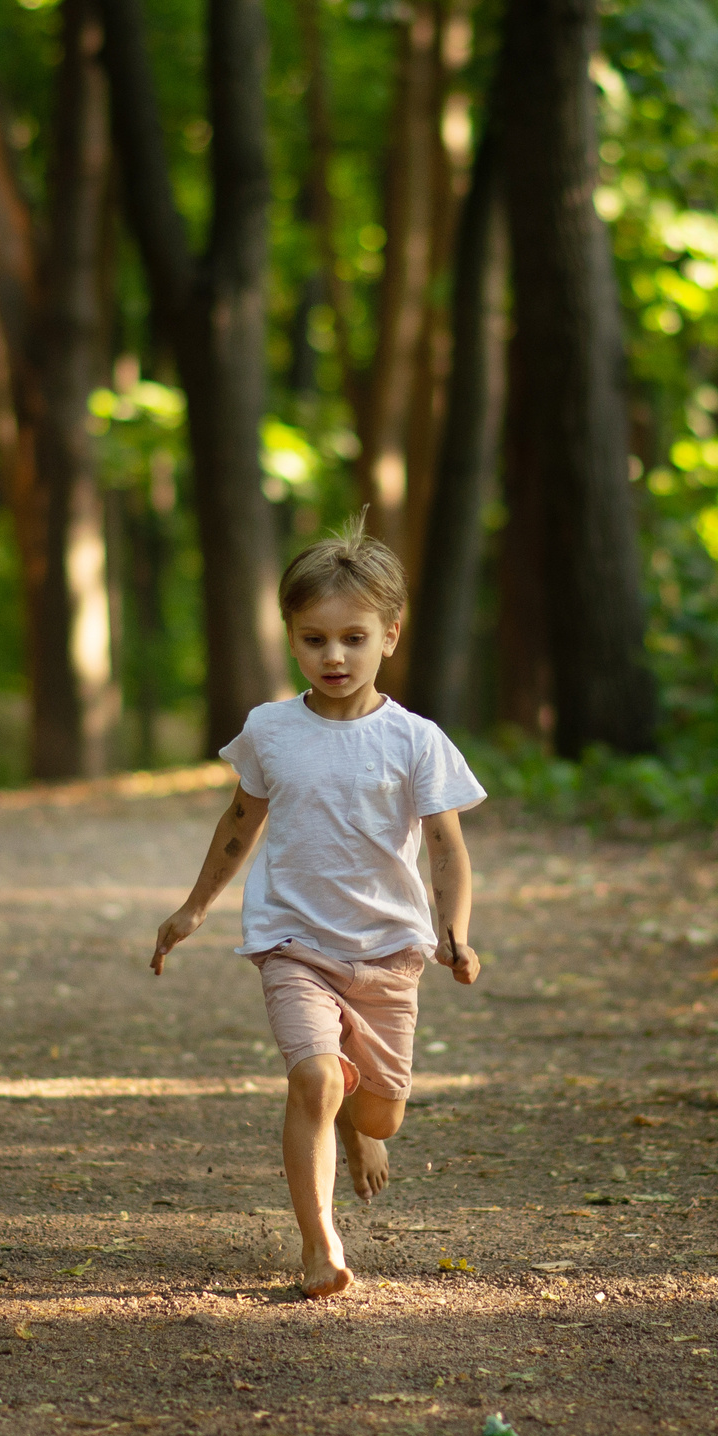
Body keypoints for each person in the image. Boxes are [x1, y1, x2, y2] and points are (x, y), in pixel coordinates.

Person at [149, 522, 485, 1300]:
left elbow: (446, 849)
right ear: (292, 640)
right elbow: (240, 822)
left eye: (353, 638)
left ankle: (352, 1120)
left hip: (388, 953)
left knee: (380, 1114)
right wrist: (196, 906)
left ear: (389, 636)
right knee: (312, 1075)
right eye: (315, 638)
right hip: (293, 943)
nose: (334, 656)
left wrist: (455, 932)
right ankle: (318, 1243)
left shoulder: (416, 741)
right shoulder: (271, 730)